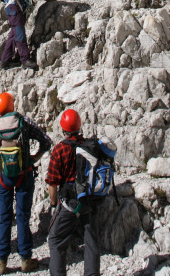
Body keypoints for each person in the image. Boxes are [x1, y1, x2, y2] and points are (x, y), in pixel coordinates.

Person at [0, 92, 52, 275]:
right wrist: (34, 158)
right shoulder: (24, 121)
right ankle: (25, 258)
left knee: (5, 215)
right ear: (12, 105)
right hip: (25, 173)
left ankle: (1, 260)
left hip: (3, 176)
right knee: (23, 215)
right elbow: (46, 141)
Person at [46, 109, 103, 276]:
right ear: (79, 126)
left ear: (63, 128)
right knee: (91, 241)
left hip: (69, 203)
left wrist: (53, 204)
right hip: (90, 200)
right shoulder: (90, 146)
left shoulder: (60, 149)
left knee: (56, 240)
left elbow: (53, 182)